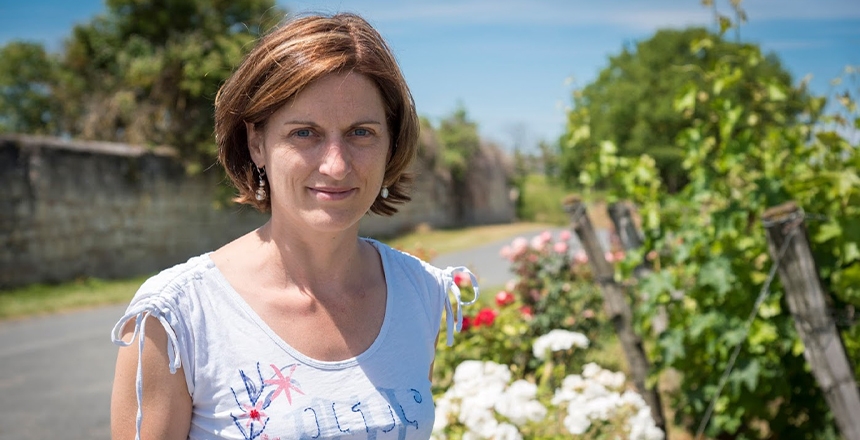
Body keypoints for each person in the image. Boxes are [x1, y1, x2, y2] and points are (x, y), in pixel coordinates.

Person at [110, 12, 478, 440]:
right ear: (256, 143)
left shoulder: (419, 293)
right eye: (305, 133)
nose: (336, 165)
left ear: (391, 142)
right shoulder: (176, 320)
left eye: (361, 132)